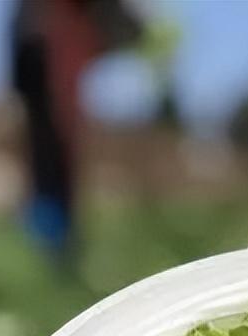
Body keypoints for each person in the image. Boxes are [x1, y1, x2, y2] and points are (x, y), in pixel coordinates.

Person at [10, 0, 147, 258]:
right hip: (47, 49)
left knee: (52, 152)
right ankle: (52, 241)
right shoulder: (48, 26)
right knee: (52, 151)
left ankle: (54, 240)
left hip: (45, 48)